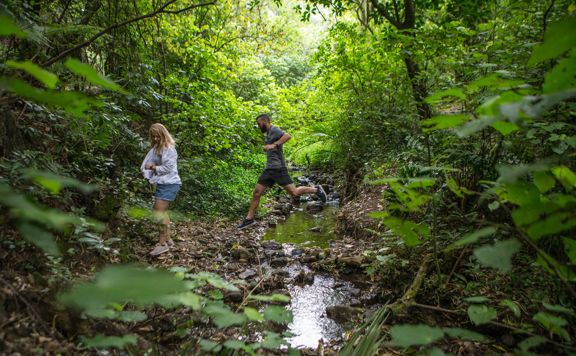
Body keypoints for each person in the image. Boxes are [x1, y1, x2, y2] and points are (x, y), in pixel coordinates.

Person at [237, 114, 326, 229]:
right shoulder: (268, 134)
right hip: (269, 169)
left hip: (278, 168)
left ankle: (316, 190)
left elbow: (288, 136)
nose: (258, 126)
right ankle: (249, 220)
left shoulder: (274, 129)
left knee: (294, 193)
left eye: (259, 124)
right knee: (257, 193)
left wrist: (273, 145)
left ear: (265, 121)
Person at [141, 123, 182, 256]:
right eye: (153, 137)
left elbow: (168, 168)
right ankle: (168, 240)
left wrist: (152, 167)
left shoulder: (169, 148)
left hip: (170, 183)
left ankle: (162, 244)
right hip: (163, 183)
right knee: (161, 212)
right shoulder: (157, 148)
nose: (156, 139)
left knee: (158, 212)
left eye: (158, 136)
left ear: (163, 135)